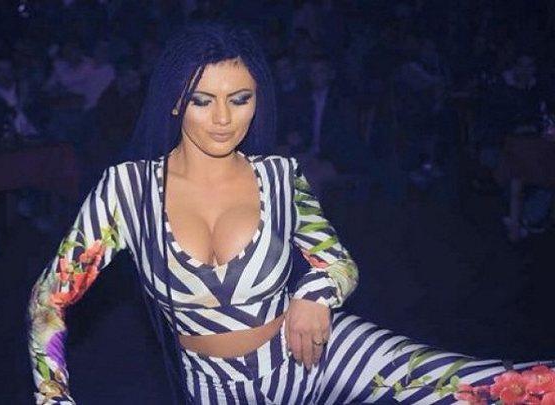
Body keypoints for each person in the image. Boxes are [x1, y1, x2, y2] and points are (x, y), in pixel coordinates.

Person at [28, 23, 554, 404]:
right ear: (174, 102)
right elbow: (49, 300)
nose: (222, 119)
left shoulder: (279, 175)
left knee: (500, 387)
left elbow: (338, 262)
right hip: (213, 389)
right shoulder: (126, 190)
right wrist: (53, 397)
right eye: (202, 100)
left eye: (239, 99)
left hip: (316, 353)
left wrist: (316, 294)